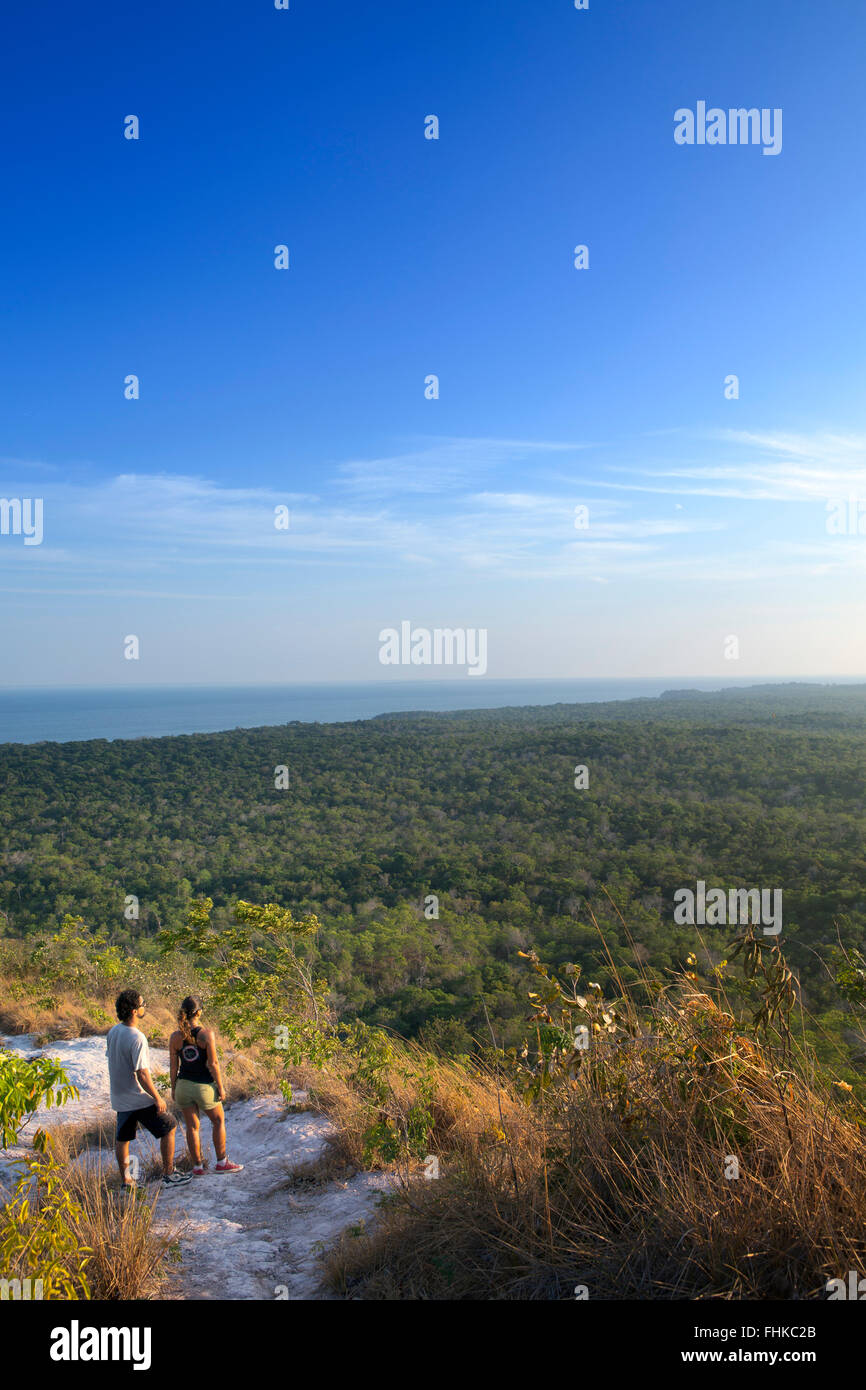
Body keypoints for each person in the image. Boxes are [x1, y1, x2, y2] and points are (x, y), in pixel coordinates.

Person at [106, 989, 191, 1189]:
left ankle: (127, 1182)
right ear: (135, 1011)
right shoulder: (137, 1037)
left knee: (123, 1139)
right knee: (169, 1126)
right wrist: (157, 1097)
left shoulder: (113, 1032)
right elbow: (142, 1073)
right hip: (137, 1096)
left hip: (119, 1096)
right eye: (143, 1004)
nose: (145, 1007)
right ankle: (169, 1173)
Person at [169, 996, 244, 1176]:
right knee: (218, 1120)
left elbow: (173, 1066)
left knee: (192, 1127)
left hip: (183, 1086)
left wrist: (173, 1088)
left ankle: (197, 1167)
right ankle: (221, 1162)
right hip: (203, 1086)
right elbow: (214, 1064)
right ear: (199, 1012)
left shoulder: (175, 1037)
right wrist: (220, 1086)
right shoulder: (206, 1034)